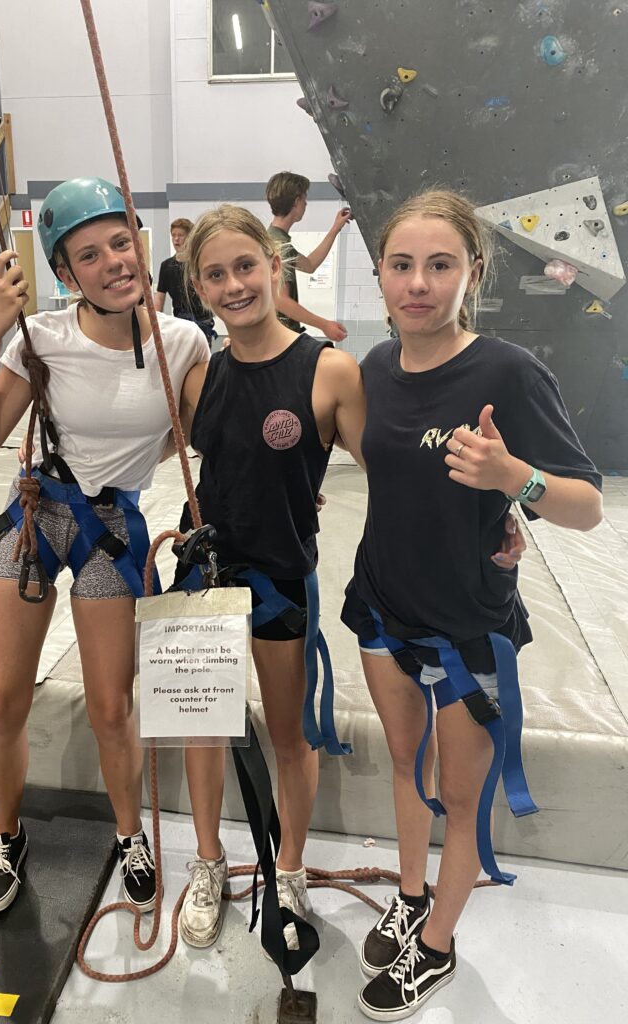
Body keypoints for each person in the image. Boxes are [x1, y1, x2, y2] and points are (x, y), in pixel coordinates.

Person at [339, 189, 602, 1020]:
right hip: (382, 606)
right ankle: (410, 897)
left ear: (472, 274)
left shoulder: (508, 372)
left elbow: (586, 502)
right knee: (406, 773)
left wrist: (512, 482)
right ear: (380, 275)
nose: (419, 282)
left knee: (459, 793)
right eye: (402, 265)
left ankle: (440, 946)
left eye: (440, 265)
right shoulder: (375, 368)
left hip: (468, 626)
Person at [0, 177, 210, 917]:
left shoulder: (181, 341)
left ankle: (130, 835)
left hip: (114, 529)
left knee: (110, 704)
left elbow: (206, 437)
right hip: (40, 514)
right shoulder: (44, 342)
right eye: (89, 255)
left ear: (141, 246)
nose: (114, 262)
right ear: (66, 276)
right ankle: (4, 835)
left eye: (122, 244)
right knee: (0, 700)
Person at [165, 202, 367, 951]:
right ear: (199, 286)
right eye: (214, 274)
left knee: (287, 735)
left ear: (274, 266)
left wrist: (489, 508)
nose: (233, 284)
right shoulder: (199, 374)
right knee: (204, 727)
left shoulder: (329, 370)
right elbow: (189, 450)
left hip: (281, 578)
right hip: (207, 574)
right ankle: (211, 861)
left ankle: (288, 866)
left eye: (245, 267)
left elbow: (390, 474)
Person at [265, 170, 352, 344]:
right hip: (279, 338)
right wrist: (324, 324)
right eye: (304, 200)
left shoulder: (273, 238)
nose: (305, 204)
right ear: (296, 202)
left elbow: (310, 264)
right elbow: (281, 300)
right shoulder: (280, 247)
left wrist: (335, 228)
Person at [155, 217, 217, 346]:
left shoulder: (199, 263)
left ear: (190, 237)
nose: (176, 239)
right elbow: (160, 297)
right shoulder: (166, 266)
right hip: (180, 322)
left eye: (180, 235)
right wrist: (155, 322)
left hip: (202, 320)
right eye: (173, 235)